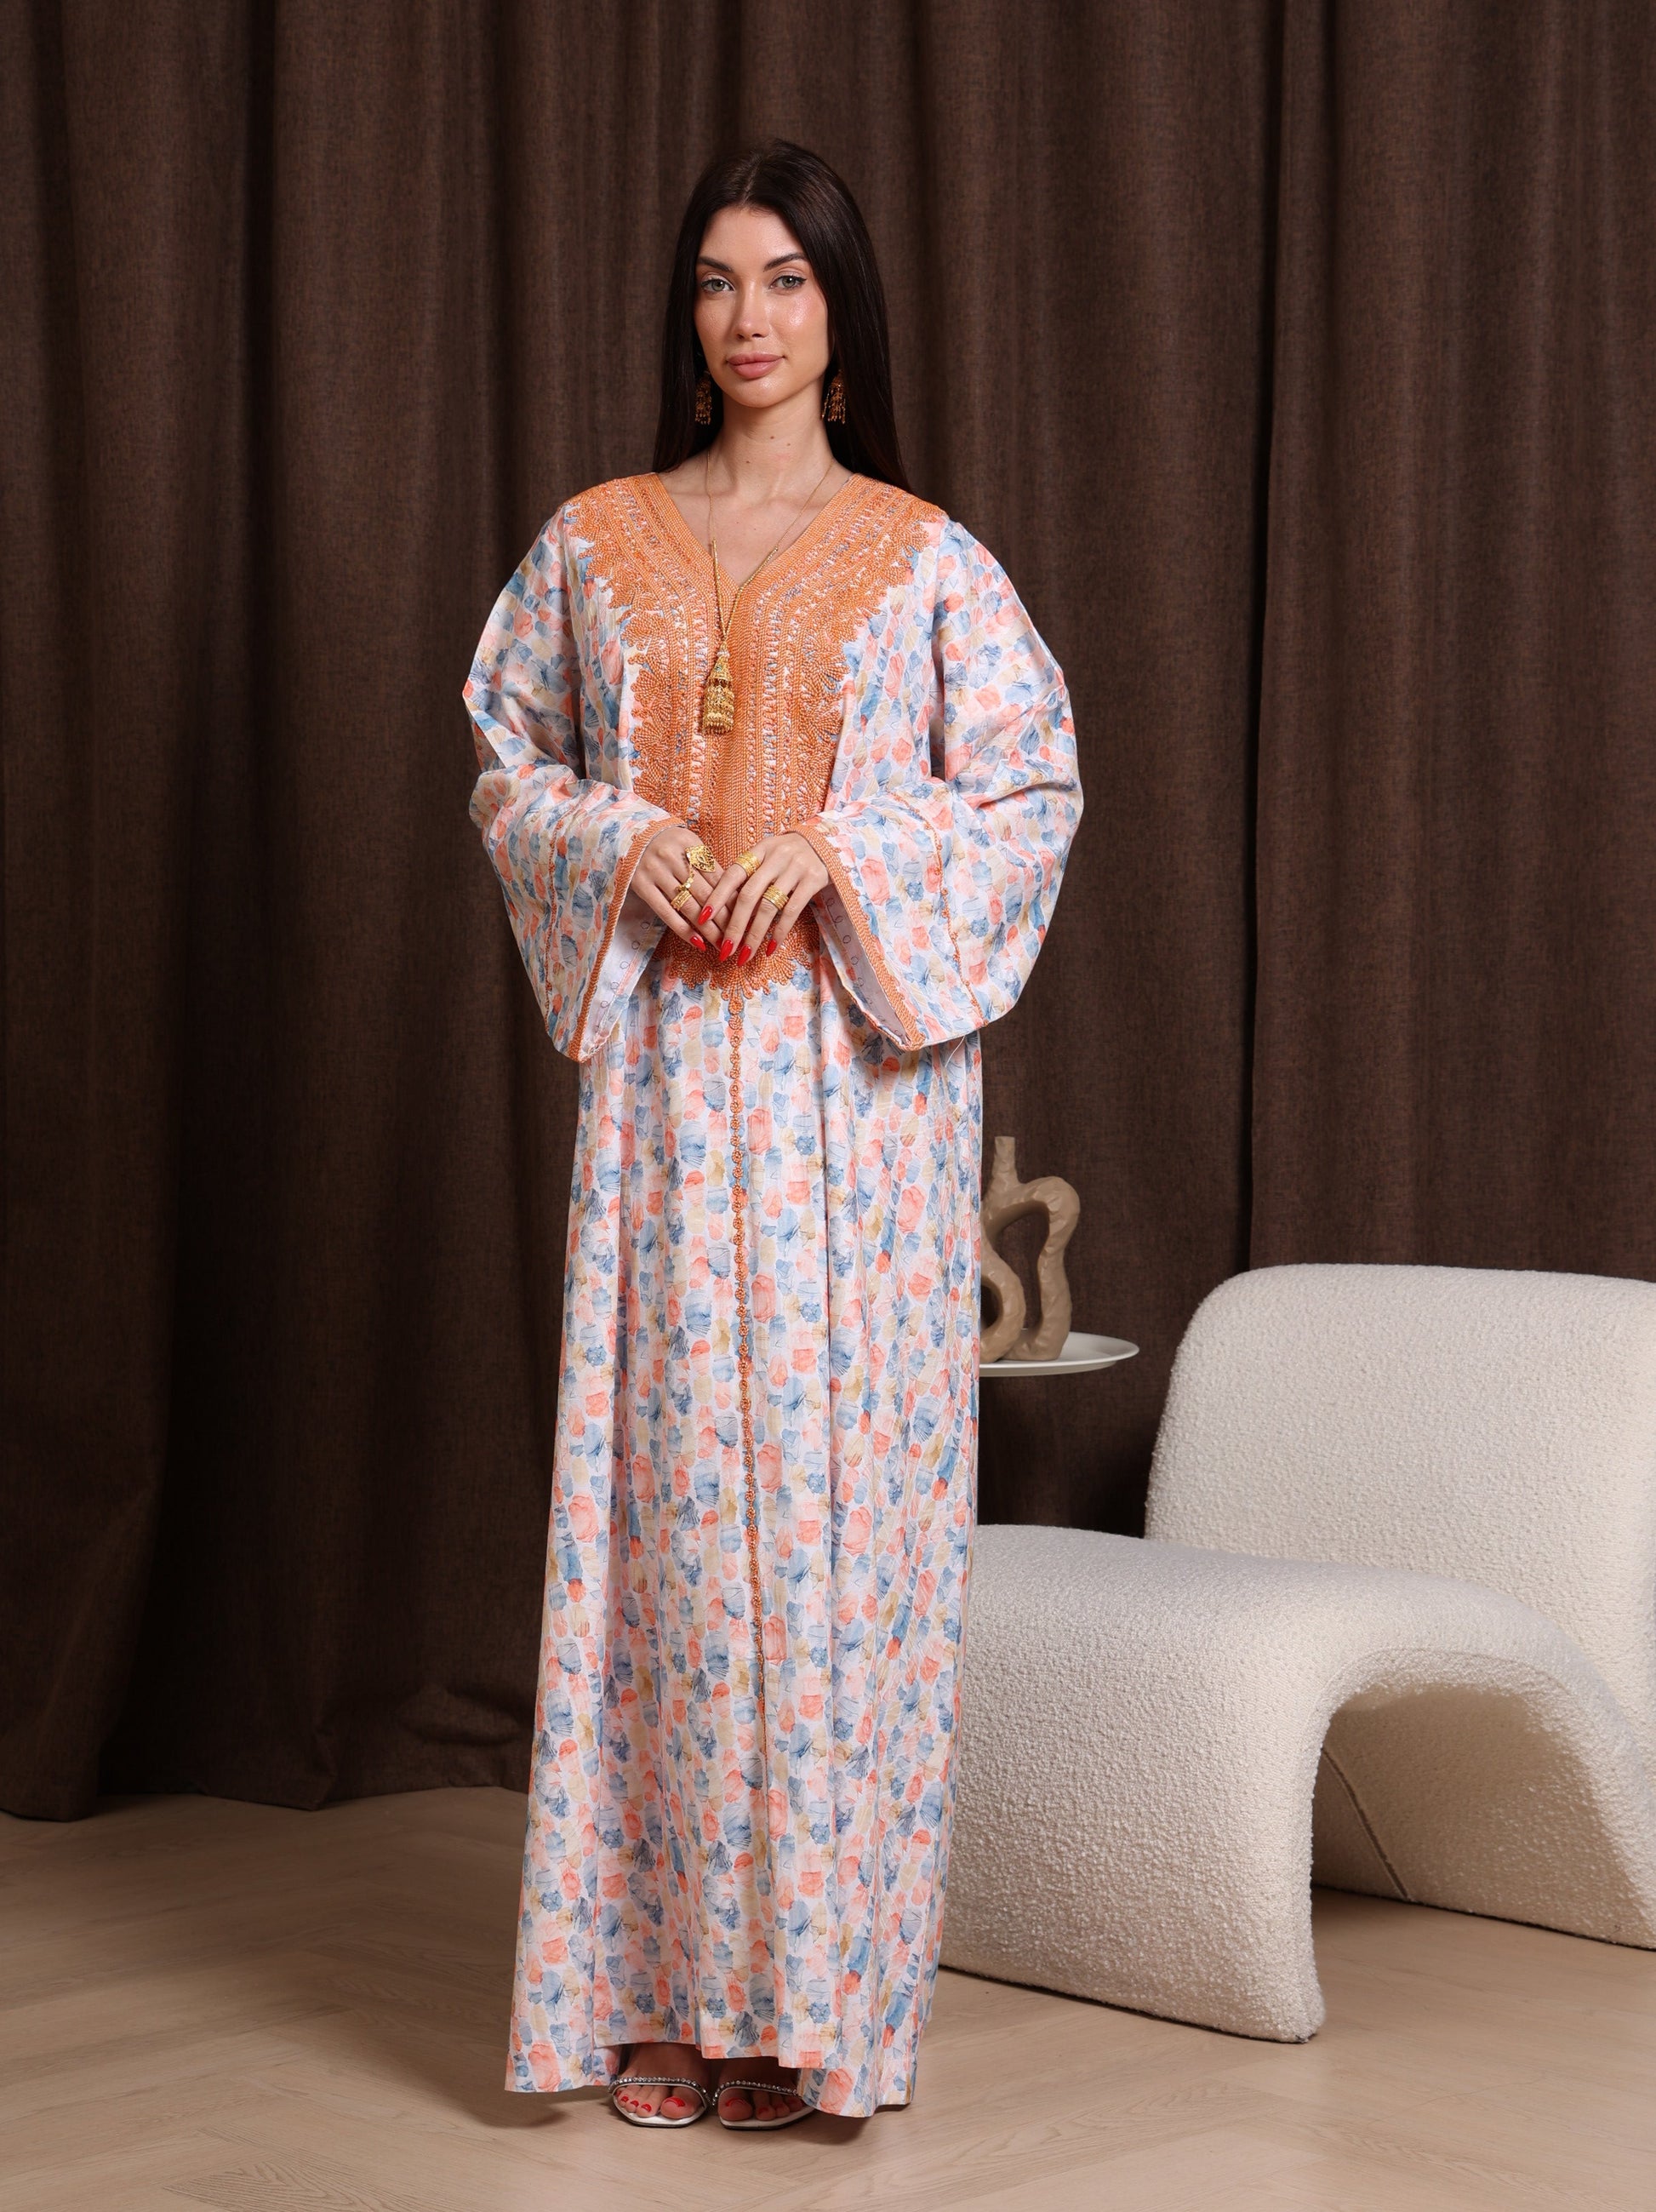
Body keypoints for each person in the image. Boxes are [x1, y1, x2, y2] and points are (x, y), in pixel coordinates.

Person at [464, 139, 1082, 2133]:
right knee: (661, 1523)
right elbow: (506, 755)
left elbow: (1027, 796)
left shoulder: (925, 558)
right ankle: (654, 1986)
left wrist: (841, 851)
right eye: (720, 280)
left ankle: (803, 2005)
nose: (750, 318)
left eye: (788, 280)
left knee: (828, 1542)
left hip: (851, 1112)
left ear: (839, 307)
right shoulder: (593, 542)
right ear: (689, 309)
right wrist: (614, 838)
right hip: (664, 1095)